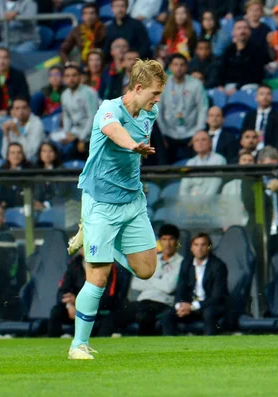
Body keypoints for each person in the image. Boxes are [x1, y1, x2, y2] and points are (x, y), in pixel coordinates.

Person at [66, 59, 167, 360]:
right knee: (98, 275)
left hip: (133, 201)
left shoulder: (152, 111)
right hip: (101, 205)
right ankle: (77, 345)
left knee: (147, 270)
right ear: (138, 88)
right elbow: (112, 131)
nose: (157, 99)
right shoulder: (108, 109)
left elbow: (143, 137)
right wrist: (133, 145)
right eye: (154, 93)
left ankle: (100, 245)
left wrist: (140, 148)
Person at [117, 224, 183, 335]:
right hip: (143, 300)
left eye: (171, 239)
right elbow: (135, 284)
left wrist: (149, 278)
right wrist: (159, 280)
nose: (167, 243)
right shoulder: (152, 258)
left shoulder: (181, 262)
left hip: (162, 302)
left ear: (177, 241)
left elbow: (169, 287)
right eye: (164, 239)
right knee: (115, 316)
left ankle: (143, 349)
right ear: (160, 241)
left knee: (144, 317)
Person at [48, 250, 126, 338]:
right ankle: (53, 345)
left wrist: (79, 302)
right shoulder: (74, 264)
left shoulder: (107, 265)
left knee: (105, 322)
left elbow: (108, 297)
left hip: (100, 310)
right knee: (56, 312)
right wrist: (69, 305)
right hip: (76, 309)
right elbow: (62, 291)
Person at [162, 233, 229, 336]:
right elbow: (180, 289)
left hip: (210, 306)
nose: (199, 248)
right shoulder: (186, 263)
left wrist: (192, 306)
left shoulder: (218, 266)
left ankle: (209, 347)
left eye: (203, 245)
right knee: (168, 315)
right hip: (191, 306)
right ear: (191, 248)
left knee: (209, 313)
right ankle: (171, 348)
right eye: (196, 245)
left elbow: (217, 297)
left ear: (209, 247)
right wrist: (180, 305)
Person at [157, 53, 209, 164]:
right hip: (168, 132)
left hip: (191, 132)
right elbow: (158, 110)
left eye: (182, 65)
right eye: (175, 65)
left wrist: (198, 132)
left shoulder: (196, 84)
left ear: (186, 67)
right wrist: (162, 134)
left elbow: (202, 108)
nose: (178, 68)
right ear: (170, 67)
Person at [57, 64, 100, 160]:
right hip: (75, 132)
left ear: (80, 77)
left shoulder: (89, 92)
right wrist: (67, 132)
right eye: (67, 76)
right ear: (63, 79)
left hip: (91, 135)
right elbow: (67, 115)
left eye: (74, 75)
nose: (71, 79)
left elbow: (92, 117)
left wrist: (82, 139)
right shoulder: (65, 94)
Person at [179, 131, 227, 196]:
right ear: (193, 145)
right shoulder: (190, 162)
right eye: (196, 140)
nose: (200, 143)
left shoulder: (219, 159)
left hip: (211, 201)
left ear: (211, 143)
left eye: (204, 140)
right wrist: (186, 202)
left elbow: (215, 185)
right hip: (191, 202)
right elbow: (184, 187)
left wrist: (204, 202)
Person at [241, 85, 278, 149]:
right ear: (256, 98)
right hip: (250, 149)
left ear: (272, 97)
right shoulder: (249, 116)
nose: (265, 97)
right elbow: (243, 134)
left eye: (268, 94)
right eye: (262, 94)